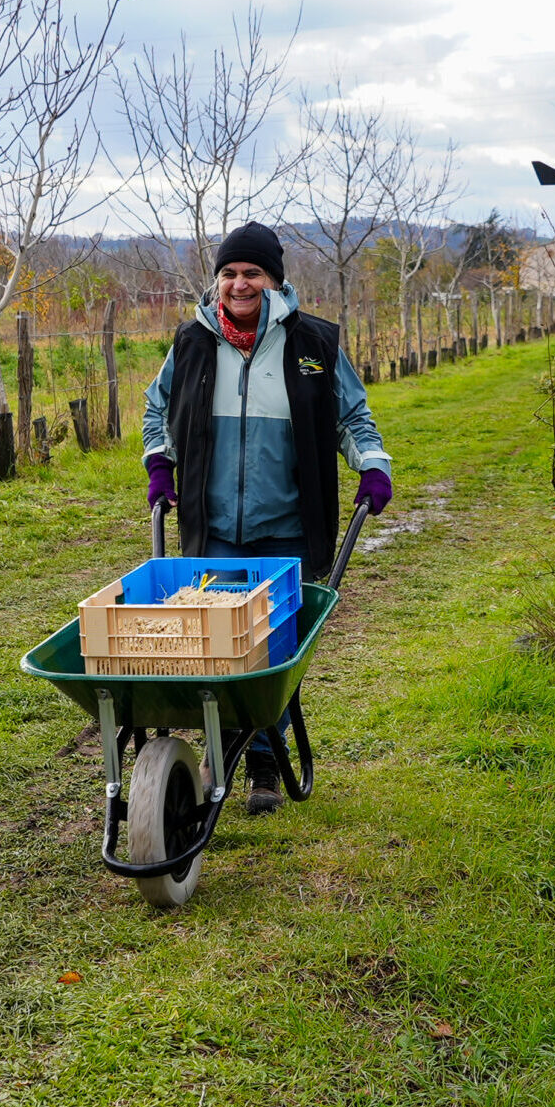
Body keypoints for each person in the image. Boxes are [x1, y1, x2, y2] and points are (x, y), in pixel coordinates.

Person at [141, 221, 393, 814]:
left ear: (275, 281)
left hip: (289, 527)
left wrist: (372, 466)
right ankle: (220, 748)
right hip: (216, 529)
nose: (238, 283)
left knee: (273, 652)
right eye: (228, 273)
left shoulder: (314, 345)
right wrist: (160, 462)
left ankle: (262, 768)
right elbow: (158, 412)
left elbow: (352, 418)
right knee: (217, 647)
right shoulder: (191, 343)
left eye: (251, 272)